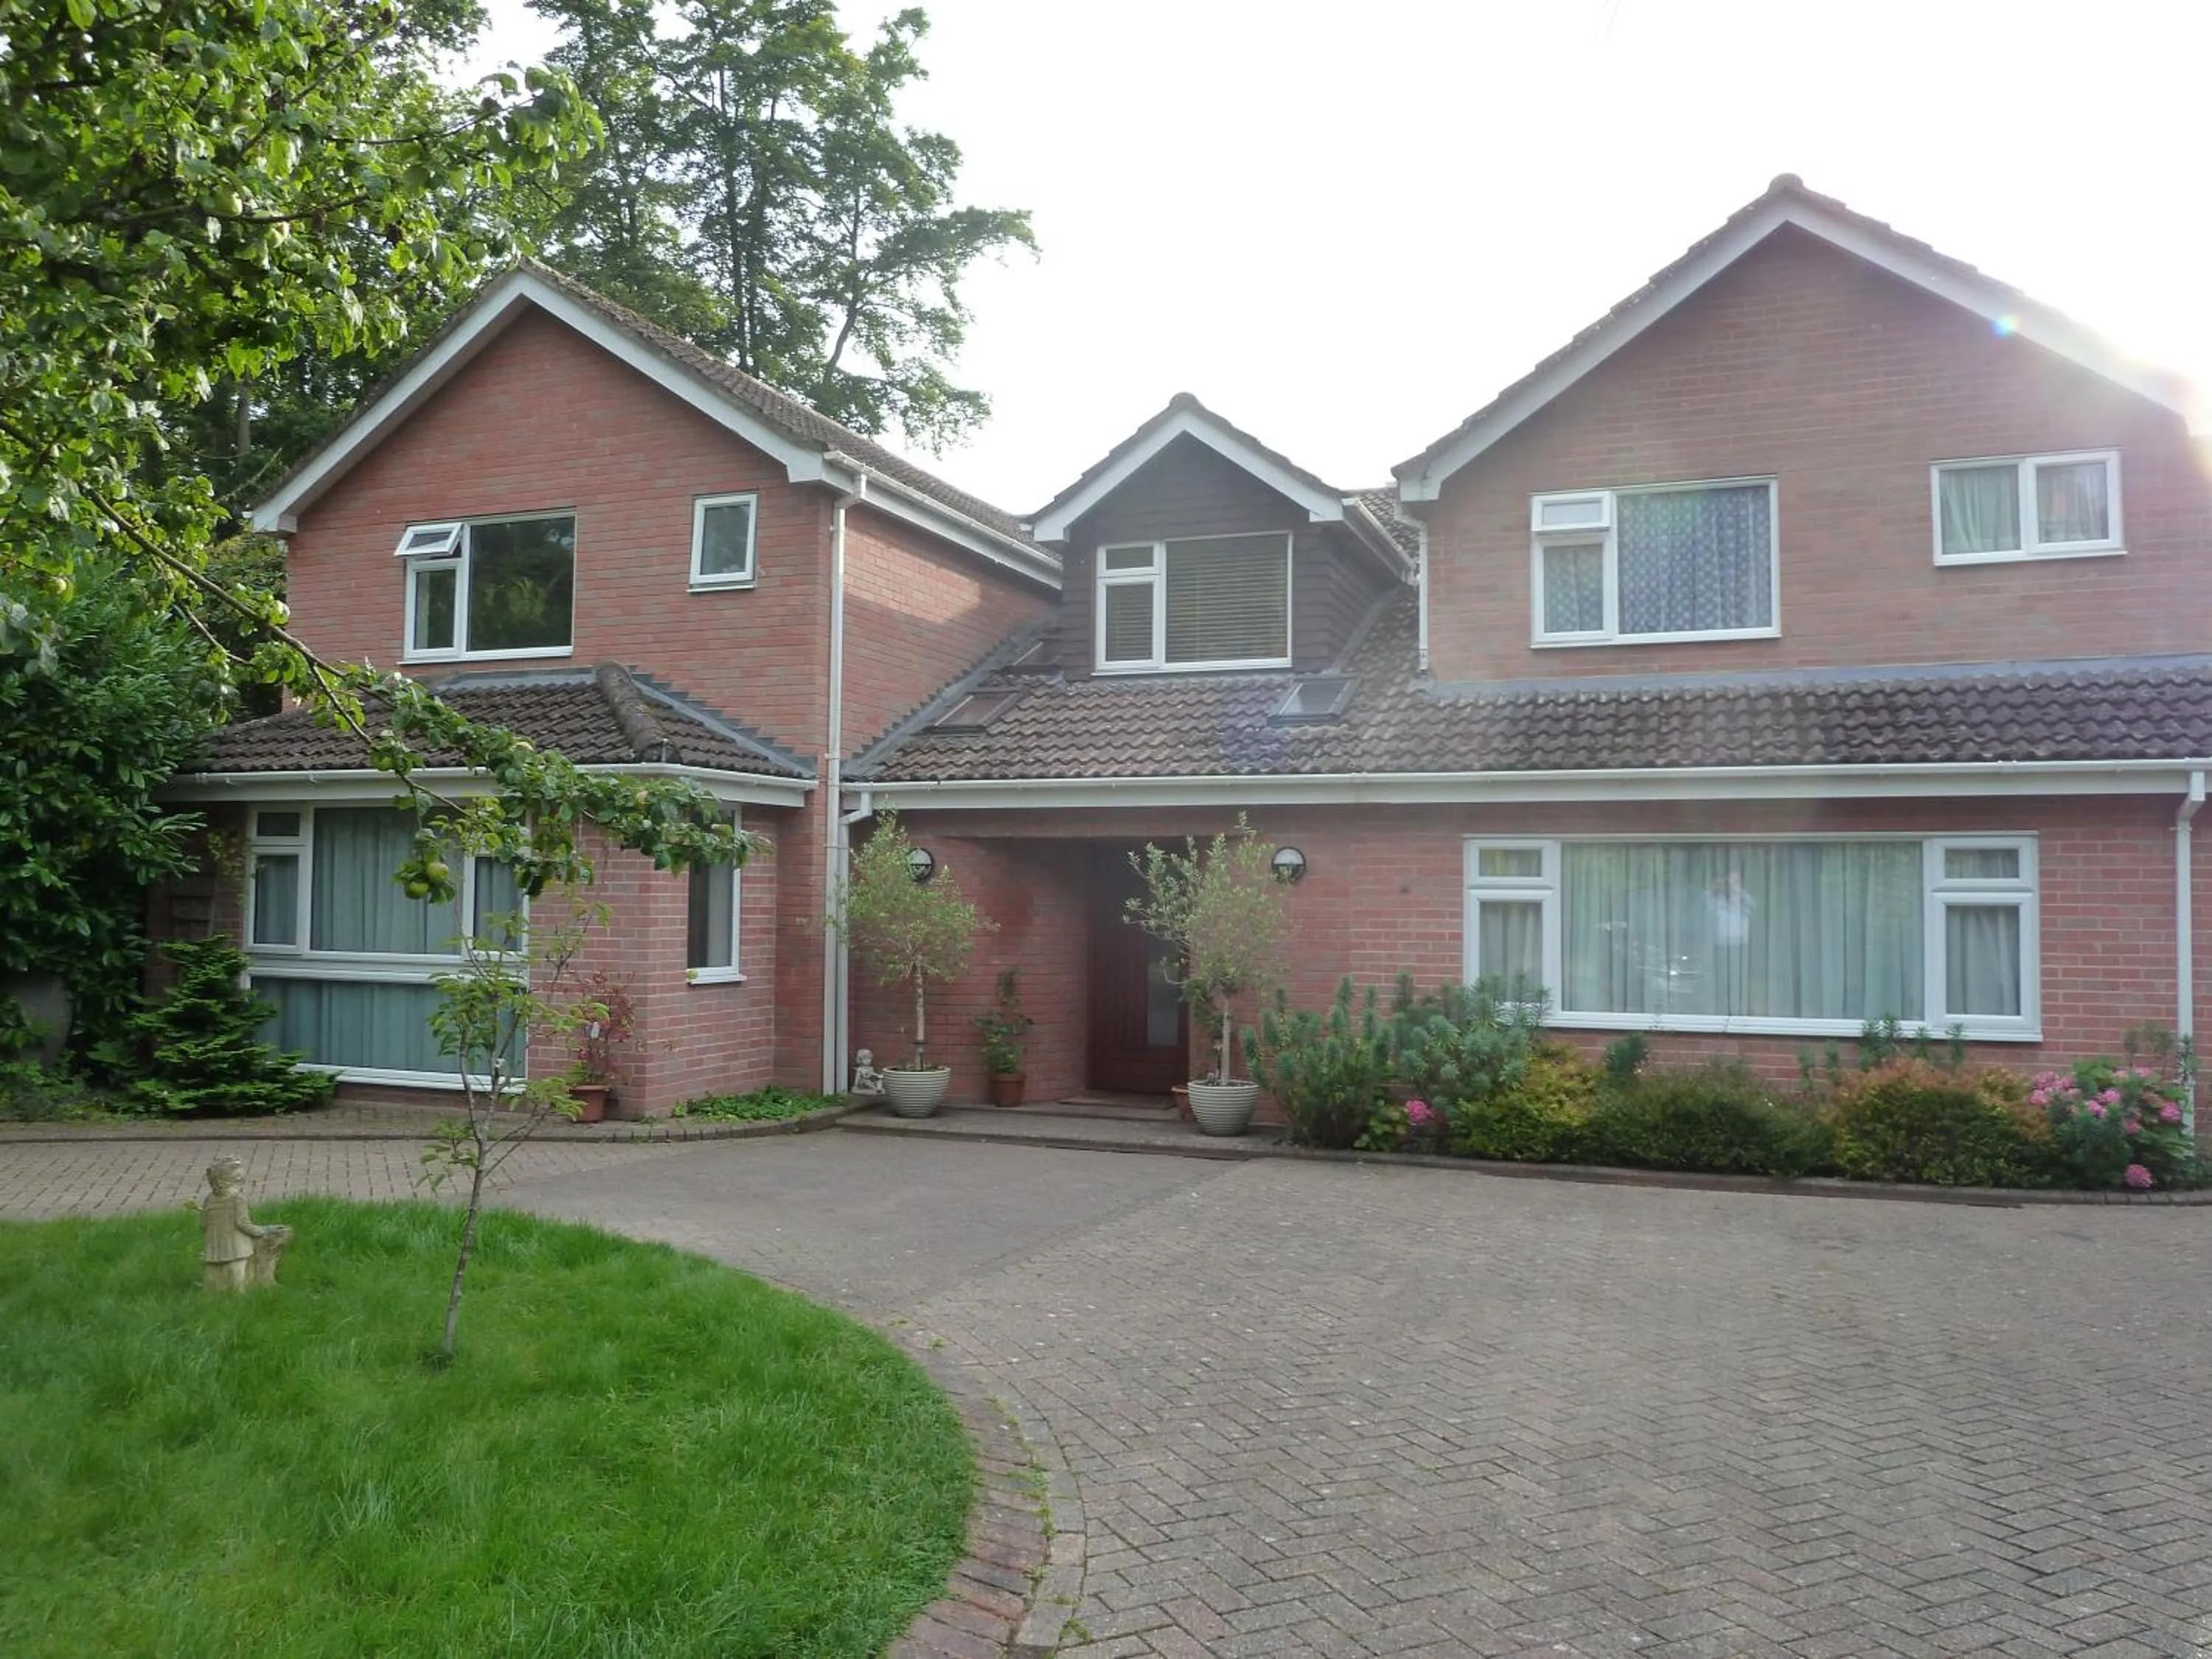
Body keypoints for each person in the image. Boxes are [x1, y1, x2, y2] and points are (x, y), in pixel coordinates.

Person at [201, 1155, 293, 1291]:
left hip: (214, 1248)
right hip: (236, 1247)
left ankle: (216, 1296)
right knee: (238, 1278)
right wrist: (262, 1231)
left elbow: (203, 1224)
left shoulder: (210, 1199)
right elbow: (242, 1223)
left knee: (214, 1280)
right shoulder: (238, 1199)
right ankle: (241, 1296)